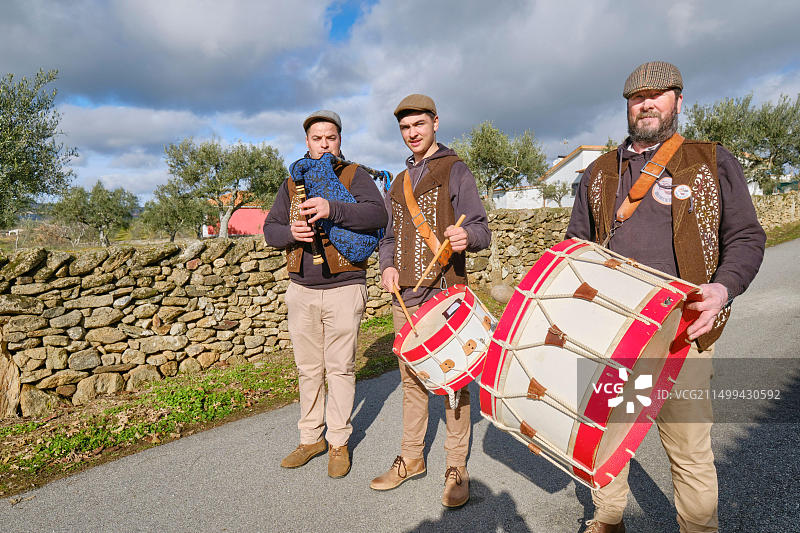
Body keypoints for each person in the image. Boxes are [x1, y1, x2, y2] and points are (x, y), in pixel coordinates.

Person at [566, 62, 765, 533]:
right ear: (627, 106)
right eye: (637, 97)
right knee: (608, 440)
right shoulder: (598, 173)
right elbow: (576, 246)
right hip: (616, 336)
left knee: (689, 448)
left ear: (678, 99)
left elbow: (747, 237)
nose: (647, 104)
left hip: (682, 335)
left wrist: (723, 287)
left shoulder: (711, 160)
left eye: (658, 95)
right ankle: (609, 518)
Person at [370, 94, 491, 508]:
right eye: (405, 128)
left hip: (443, 293)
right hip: (403, 297)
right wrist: (387, 267)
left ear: (436, 122)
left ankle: (457, 466)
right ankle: (411, 458)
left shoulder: (455, 170)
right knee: (411, 382)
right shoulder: (400, 181)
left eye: (419, 124)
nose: (412, 134)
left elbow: (480, 229)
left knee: (453, 384)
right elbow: (387, 237)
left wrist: (465, 238)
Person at [263, 110, 387, 479]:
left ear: (339, 140)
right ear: (307, 142)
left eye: (330, 138)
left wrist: (332, 207)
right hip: (301, 288)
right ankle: (310, 438)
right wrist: (291, 235)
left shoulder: (354, 175)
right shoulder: (292, 182)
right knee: (308, 369)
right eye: (316, 138)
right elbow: (270, 230)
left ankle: (338, 442)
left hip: (344, 287)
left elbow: (377, 216)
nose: (323, 144)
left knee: (340, 367)